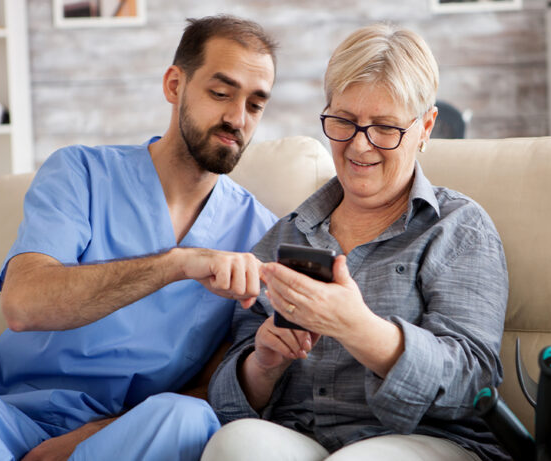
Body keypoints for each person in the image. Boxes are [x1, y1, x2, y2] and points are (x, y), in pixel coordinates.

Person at [0, 15, 278, 461]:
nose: (237, 119)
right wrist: (176, 263)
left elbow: (217, 386)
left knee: (190, 419)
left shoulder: (259, 234)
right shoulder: (79, 174)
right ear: (174, 85)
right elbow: (23, 305)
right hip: (4, 421)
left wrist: (79, 443)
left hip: (123, 438)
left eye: (255, 105)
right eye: (221, 93)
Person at [203, 24, 510, 461]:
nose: (360, 146)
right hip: (301, 437)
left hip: (432, 442)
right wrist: (264, 364)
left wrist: (359, 328)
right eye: (344, 121)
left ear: (425, 126)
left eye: (385, 127)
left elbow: (474, 384)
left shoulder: (458, 228)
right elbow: (228, 402)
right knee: (235, 445)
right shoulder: (284, 237)